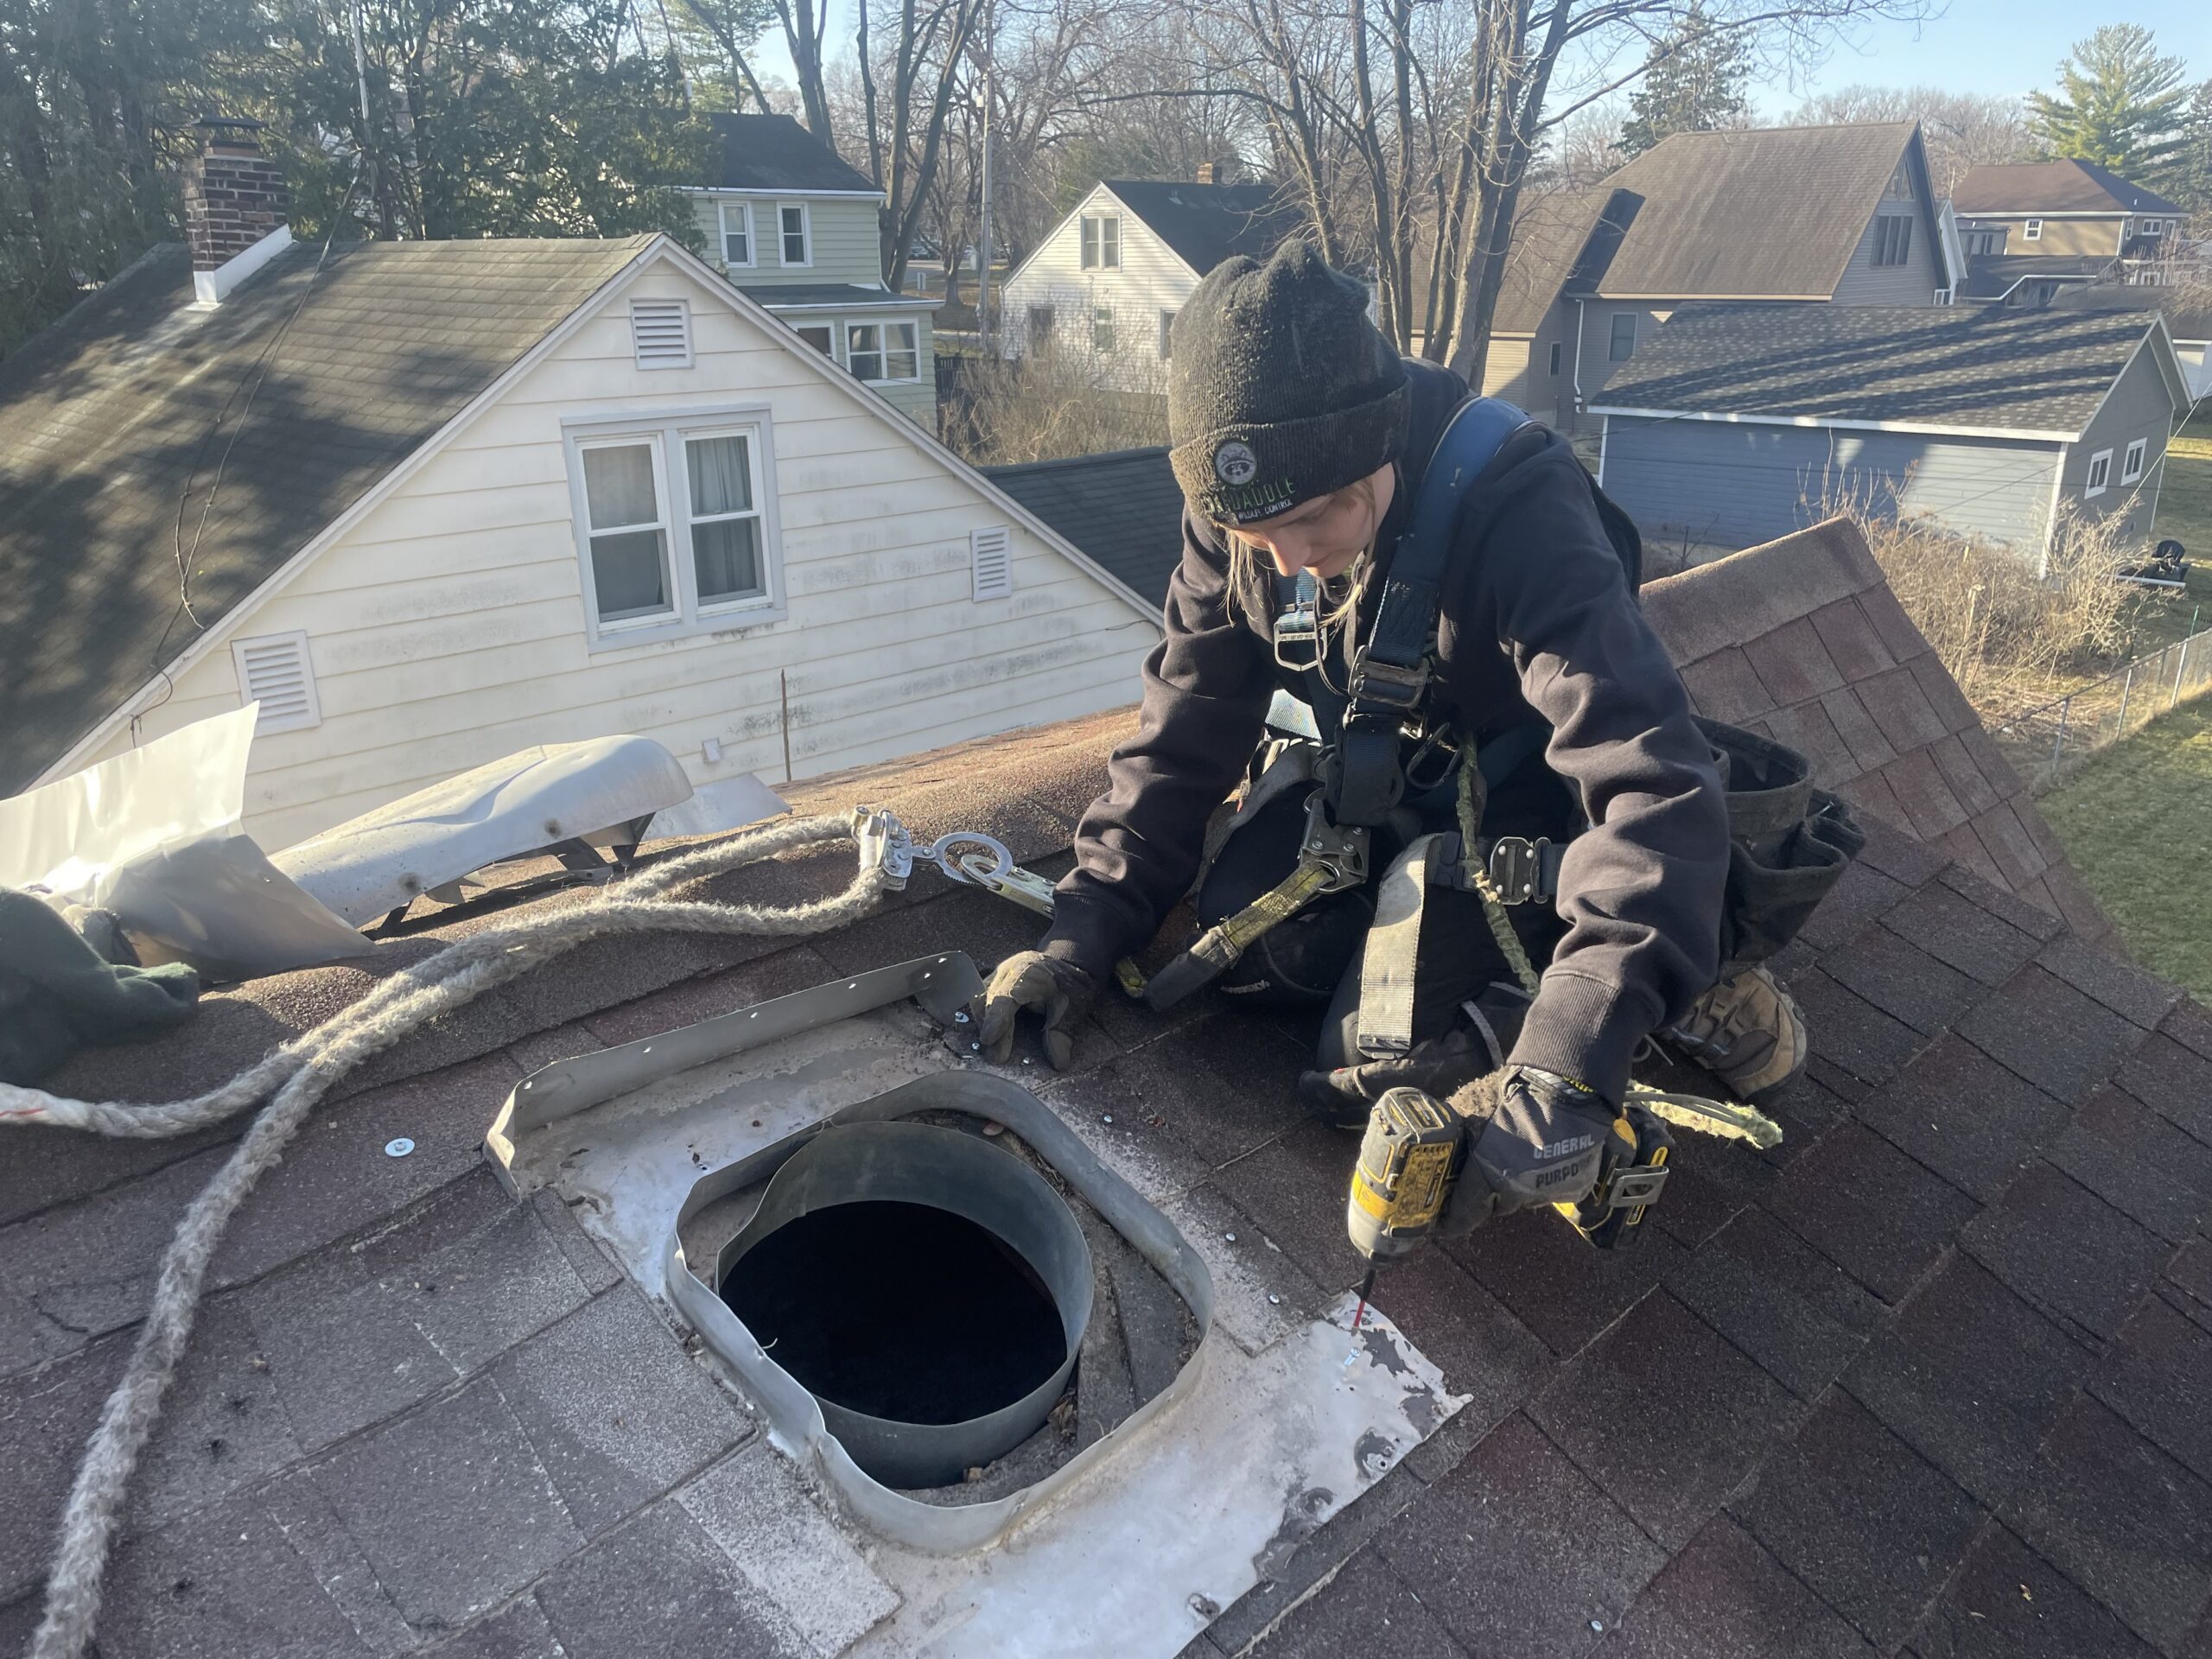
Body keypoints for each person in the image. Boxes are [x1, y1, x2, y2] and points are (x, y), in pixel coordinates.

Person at [976, 240, 1811, 1231]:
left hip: (1536, 797)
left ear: (1374, 448)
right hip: (1387, 770)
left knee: (1388, 1069)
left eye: (1317, 519)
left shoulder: (1518, 507)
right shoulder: (1235, 511)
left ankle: (1691, 966)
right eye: (1256, 537)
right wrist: (1081, 936)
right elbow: (1184, 727)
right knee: (1251, 957)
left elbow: (1647, 777)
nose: (1288, 558)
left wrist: (1571, 1051)